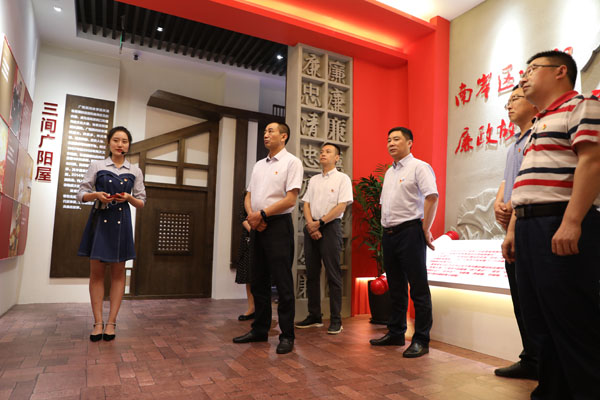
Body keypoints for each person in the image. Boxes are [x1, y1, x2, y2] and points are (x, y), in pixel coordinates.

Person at [502, 50, 600, 399]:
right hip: (531, 228)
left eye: (532, 69)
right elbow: (527, 186)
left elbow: (592, 162)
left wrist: (572, 221)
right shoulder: (538, 124)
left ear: (560, 72)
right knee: (539, 321)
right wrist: (514, 230)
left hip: (559, 222)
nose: (524, 77)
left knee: (572, 318)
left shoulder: (582, 107)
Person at [232, 122, 303, 354]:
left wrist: (262, 214)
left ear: (284, 136)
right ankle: (260, 329)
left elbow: (290, 199)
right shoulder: (259, 165)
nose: (266, 134)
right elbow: (249, 195)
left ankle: (287, 335)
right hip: (257, 224)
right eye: (265, 131)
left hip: (278, 225)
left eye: (271, 131)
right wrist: (253, 216)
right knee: (258, 280)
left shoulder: (292, 162)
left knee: (282, 282)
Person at [369, 127, 438, 358]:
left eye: (396, 139)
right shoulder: (390, 172)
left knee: (418, 288)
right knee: (396, 287)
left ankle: (421, 340)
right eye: (388, 139)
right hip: (389, 234)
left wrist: (425, 228)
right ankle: (396, 332)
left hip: (410, 232)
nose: (391, 143)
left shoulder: (419, 167)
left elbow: (432, 197)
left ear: (410, 143)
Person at [77, 126, 146, 342]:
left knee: (118, 274)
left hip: (122, 223)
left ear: (128, 145)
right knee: (96, 274)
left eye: (124, 141)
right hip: (100, 220)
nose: (120, 144)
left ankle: (111, 323)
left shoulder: (135, 170)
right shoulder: (97, 165)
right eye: (116, 140)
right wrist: (96, 195)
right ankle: (98, 323)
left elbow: (141, 202)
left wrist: (129, 198)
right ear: (109, 142)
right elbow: (81, 193)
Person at [492, 86, 538, 380]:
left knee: (534, 300)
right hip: (514, 226)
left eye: (515, 100)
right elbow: (507, 181)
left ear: (533, 104)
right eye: (507, 102)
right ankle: (531, 357)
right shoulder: (514, 145)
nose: (509, 106)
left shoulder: (537, 136)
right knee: (521, 299)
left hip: (527, 225)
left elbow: (526, 185)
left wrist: (511, 219)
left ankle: (542, 361)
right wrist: (498, 203)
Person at [295, 143, 353, 335]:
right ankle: (314, 316)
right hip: (312, 227)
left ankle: (336, 320)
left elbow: (341, 206)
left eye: (328, 152)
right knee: (311, 273)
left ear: (337, 158)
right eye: (321, 151)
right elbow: (306, 204)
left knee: (333, 274)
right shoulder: (313, 180)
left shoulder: (342, 179)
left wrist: (319, 223)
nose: (323, 154)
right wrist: (311, 224)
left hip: (330, 227)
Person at [235, 191, 255, 321]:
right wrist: (253, 231)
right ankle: (251, 308)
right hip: (249, 238)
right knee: (248, 274)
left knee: (263, 275)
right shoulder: (247, 194)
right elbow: (242, 216)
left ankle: (263, 309)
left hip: (266, 236)